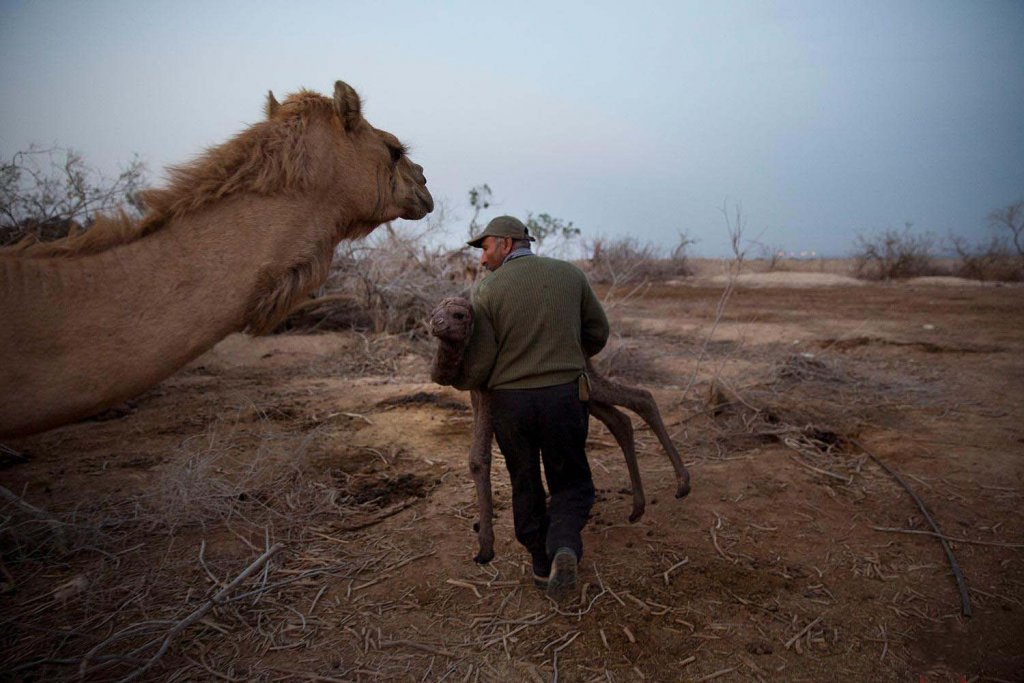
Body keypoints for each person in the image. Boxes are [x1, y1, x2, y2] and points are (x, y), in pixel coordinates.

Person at [451, 215, 609, 600]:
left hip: (511, 404)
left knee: (524, 480)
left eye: (486, 247)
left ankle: (541, 562)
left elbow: (482, 365)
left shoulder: (487, 291)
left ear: (507, 244)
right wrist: (565, 355)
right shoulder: (570, 275)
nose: (483, 258)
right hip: (565, 396)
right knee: (570, 479)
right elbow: (598, 333)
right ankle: (566, 545)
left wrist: (458, 374)